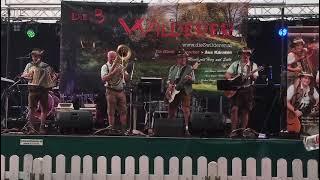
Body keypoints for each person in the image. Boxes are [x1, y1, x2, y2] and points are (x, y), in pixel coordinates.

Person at [21, 48, 57, 134]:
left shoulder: (46, 66)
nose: (35, 58)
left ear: (40, 57)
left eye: (36, 56)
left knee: (44, 109)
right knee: (31, 109)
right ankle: (31, 128)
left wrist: (51, 83)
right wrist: (27, 77)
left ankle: (42, 127)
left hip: (43, 90)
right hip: (33, 90)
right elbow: (25, 75)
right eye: (33, 56)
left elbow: (54, 76)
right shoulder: (29, 65)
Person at [224, 47, 259, 137]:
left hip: (247, 89)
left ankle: (243, 131)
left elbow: (255, 77)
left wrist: (251, 75)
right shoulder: (235, 64)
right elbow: (227, 74)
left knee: (245, 111)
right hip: (237, 90)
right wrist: (232, 80)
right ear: (241, 55)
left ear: (249, 55)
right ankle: (234, 131)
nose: (245, 55)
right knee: (234, 109)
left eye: (247, 54)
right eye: (243, 54)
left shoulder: (253, 65)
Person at [166, 48, 195, 135]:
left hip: (185, 90)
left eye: (184, 57)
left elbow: (193, 80)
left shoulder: (189, 68)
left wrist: (189, 79)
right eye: (180, 57)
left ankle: (186, 129)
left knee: (186, 109)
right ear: (177, 59)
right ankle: (171, 128)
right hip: (174, 90)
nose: (183, 59)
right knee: (171, 109)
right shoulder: (173, 68)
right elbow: (169, 80)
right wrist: (169, 86)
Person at [101, 50, 129, 133]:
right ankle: (111, 130)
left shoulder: (120, 66)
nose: (113, 59)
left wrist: (123, 72)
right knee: (111, 111)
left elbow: (127, 79)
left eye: (114, 57)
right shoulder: (105, 66)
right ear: (108, 57)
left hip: (121, 91)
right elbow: (104, 79)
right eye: (111, 57)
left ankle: (124, 130)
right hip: (111, 91)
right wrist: (113, 72)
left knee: (123, 111)